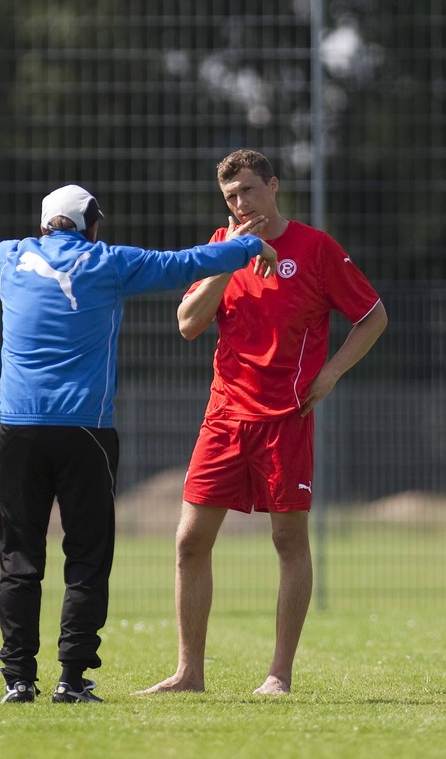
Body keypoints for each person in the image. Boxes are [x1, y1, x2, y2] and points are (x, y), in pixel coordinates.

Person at [0, 183, 277, 705]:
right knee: (87, 556)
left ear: (43, 225)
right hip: (86, 432)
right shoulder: (109, 263)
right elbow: (184, 263)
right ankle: (72, 679)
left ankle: (17, 679)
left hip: (19, 432)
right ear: (91, 226)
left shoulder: (8, 259)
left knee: (19, 556)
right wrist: (248, 245)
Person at [139, 149, 388, 697]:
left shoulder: (315, 248)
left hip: (286, 420)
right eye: (231, 197)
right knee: (189, 541)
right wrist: (229, 258)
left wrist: (332, 374)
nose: (240, 203)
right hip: (224, 415)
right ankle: (189, 674)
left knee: (287, 539)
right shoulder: (220, 246)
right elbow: (186, 324)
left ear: (273, 187)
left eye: (249, 191)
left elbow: (373, 316)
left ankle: (279, 674)